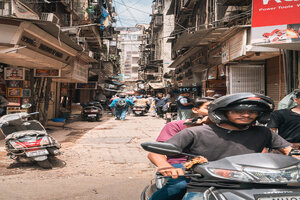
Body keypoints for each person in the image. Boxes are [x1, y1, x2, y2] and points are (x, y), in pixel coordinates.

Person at [151, 93, 294, 199]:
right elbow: (156, 152)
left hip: (254, 184)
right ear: (222, 113)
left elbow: (289, 151)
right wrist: (165, 166)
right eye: (238, 111)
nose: (246, 115)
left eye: (252, 112)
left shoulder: (264, 132)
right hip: (206, 186)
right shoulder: (195, 132)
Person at [148, 97, 215, 200]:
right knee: (179, 185)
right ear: (195, 110)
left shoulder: (226, 128)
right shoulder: (175, 126)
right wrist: (166, 166)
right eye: (208, 108)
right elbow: (156, 152)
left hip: (218, 165)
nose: (212, 111)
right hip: (183, 164)